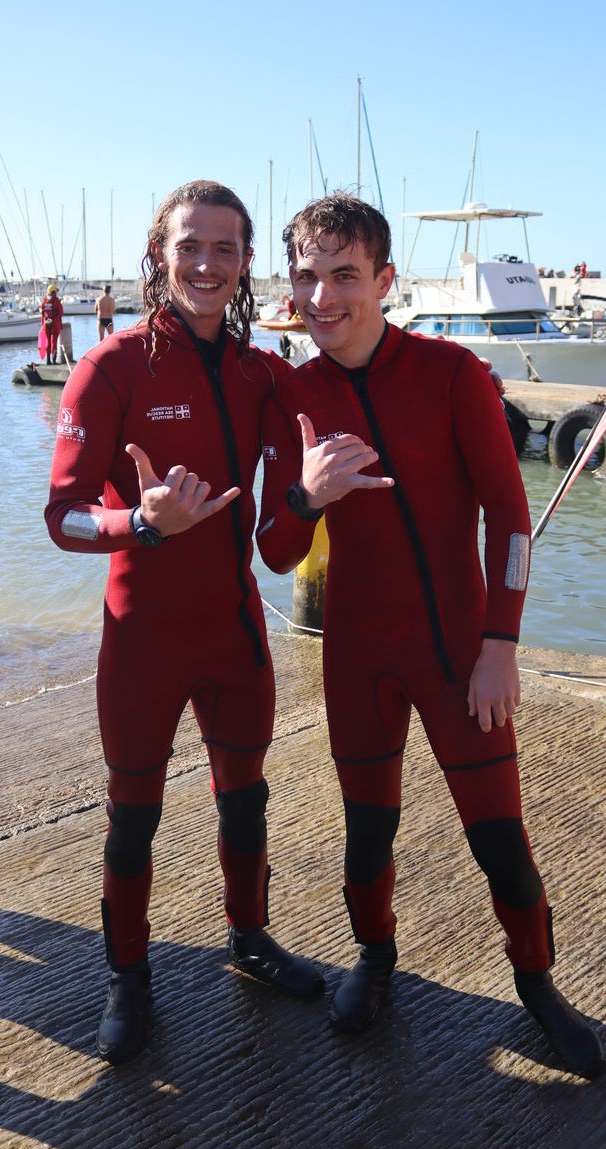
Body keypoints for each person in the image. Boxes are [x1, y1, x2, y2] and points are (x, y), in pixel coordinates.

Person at [257, 191, 604, 1080]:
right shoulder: (292, 395)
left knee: (500, 839)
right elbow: (276, 546)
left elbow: (511, 519)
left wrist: (501, 645)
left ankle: (538, 987)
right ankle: (375, 959)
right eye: (307, 276)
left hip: (458, 655)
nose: (323, 295)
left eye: (344, 275)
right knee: (367, 834)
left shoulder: (450, 373)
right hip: (358, 661)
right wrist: (308, 496)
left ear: (384, 279)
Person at [44, 181, 324, 1067]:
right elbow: (62, 517)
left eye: (226, 249)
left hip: (235, 634)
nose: (207, 265)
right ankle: (129, 975)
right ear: (159, 254)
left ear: (245, 265)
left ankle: (249, 937)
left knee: (246, 800)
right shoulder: (112, 367)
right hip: (143, 642)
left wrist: (305, 500)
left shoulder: (262, 373)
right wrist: (141, 523)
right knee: (135, 819)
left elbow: (279, 549)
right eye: (190, 247)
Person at [40, 284, 64, 365]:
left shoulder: (44, 301)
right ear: (53, 292)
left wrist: (42, 324)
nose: (56, 293)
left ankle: (48, 361)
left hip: (46, 324)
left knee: (48, 342)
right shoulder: (56, 301)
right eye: (55, 291)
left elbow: (42, 314)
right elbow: (61, 312)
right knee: (54, 342)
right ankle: (54, 361)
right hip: (55, 324)